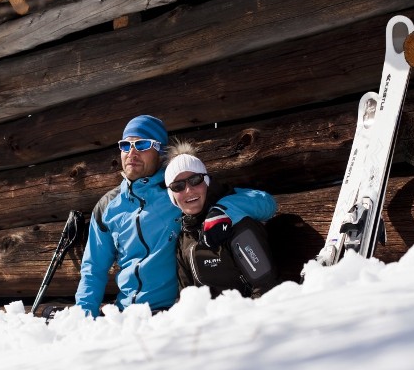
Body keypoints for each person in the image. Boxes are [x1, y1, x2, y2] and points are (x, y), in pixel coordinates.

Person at [74, 116, 277, 317]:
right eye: (125, 146)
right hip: (126, 314)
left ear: (160, 150)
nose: (132, 152)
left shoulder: (180, 188)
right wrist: (83, 317)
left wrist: (222, 210)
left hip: (169, 313)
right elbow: (94, 268)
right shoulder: (108, 207)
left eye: (142, 144)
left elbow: (263, 202)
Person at [166, 140, 279, 299]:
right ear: (173, 197)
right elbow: (187, 300)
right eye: (178, 186)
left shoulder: (237, 223)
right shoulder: (184, 238)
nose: (189, 190)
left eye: (195, 180)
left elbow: (265, 289)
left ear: (206, 182)